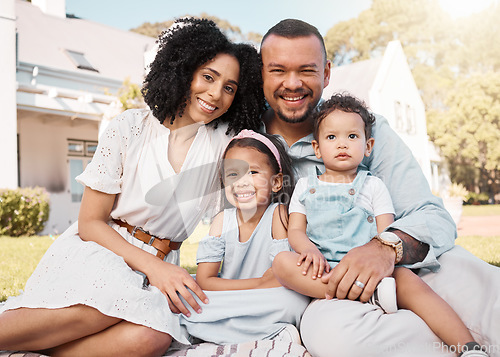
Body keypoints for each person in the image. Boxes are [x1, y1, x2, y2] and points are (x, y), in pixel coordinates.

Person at [0, 17, 266, 356]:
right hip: (104, 251)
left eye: (229, 87)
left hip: (162, 264)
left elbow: (265, 155)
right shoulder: (130, 126)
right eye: (208, 77)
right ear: (184, 72)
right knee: (103, 304)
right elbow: (90, 222)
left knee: (150, 340)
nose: (215, 93)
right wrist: (155, 268)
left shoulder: (224, 145)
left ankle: (42, 347)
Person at [260, 18, 499, 357]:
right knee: (335, 338)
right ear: (262, 74)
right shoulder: (248, 144)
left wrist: (385, 248)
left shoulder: (367, 129)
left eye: (307, 70)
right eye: (278, 70)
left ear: (327, 73)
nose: (293, 83)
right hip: (325, 286)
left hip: (404, 268)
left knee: (483, 291)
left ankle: (469, 343)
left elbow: (430, 215)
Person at [177, 130, 310, 344]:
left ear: (276, 182)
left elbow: (277, 278)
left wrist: (260, 287)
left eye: (253, 172)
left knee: (293, 302)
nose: (242, 182)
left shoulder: (278, 214)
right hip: (234, 294)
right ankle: (267, 332)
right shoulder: (222, 220)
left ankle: (214, 331)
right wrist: (257, 284)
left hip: (266, 297)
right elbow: (205, 280)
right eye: (233, 174)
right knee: (185, 299)